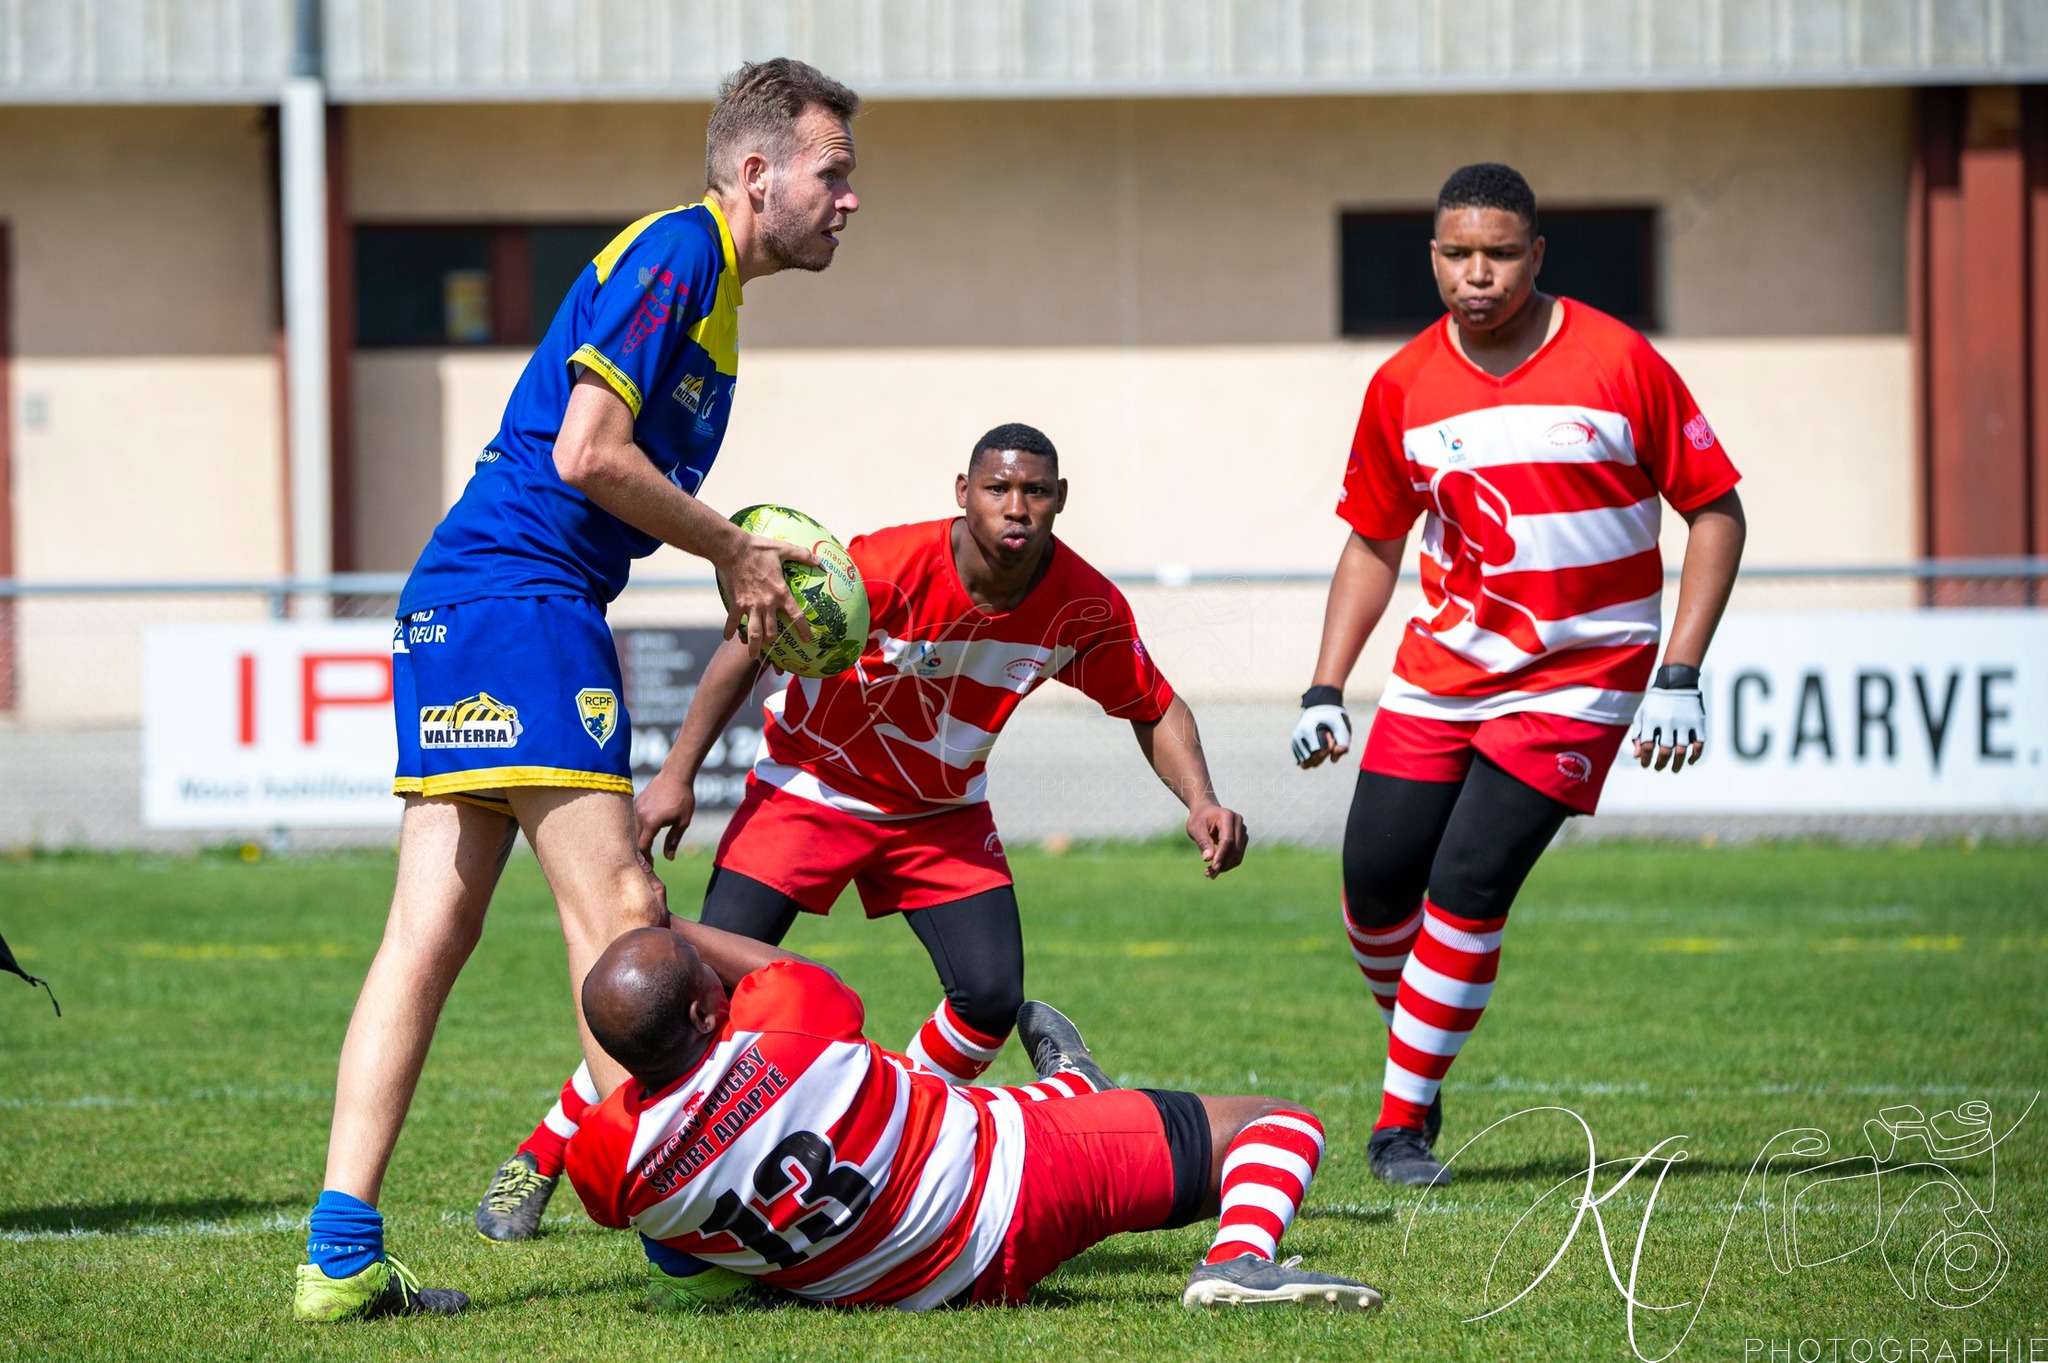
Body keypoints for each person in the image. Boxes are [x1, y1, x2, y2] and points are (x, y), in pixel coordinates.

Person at [292, 58, 866, 1322]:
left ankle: (338, 1259)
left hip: (465, 598)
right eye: (832, 172)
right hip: (524, 600)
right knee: (622, 915)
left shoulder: (706, 293)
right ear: (755, 172)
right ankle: (676, 1220)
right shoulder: (680, 255)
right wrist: (729, 546)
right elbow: (586, 454)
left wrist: (727, 548)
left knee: (426, 937)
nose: (848, 200)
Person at [472, 421, 1251, 1241]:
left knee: (990, 998)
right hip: (808, 790)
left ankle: (896, 1133)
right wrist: (677, 771)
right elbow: (751, 638)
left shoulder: (1083, 603)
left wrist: (1199, 796)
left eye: (1035, 491)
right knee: (684, 985)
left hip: (940, 813)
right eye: (998, 488)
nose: (1015, 506)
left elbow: (1153, 703)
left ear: (1060, 500)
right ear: (963, 493)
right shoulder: (884, 566)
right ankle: (541, 1152)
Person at [1291, 163, 1746, 1189]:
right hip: (1438, 675)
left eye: (1499, 253)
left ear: (1535, 256)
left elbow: (1714, 509)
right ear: (1433, 259)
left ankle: (1399, 1124)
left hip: (1580, 677)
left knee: (1465, 883)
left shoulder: (1618, 361)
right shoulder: (1401, 384)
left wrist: (1677, 672)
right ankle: (1424, 1039)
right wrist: (1324, 686)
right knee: (1370, 890)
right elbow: (1371, 542)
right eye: (1457, 254)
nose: (1477, 274)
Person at [564, 919, 1382, 1312]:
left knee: (938, 1101)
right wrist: (674, 926)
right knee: (1277, 1123)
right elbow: (788, 968)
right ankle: (1237, 1260)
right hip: (1011, 1195)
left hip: (876, 1281)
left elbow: (637, 1137)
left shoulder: (606, 1162)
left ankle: (1073, 1087)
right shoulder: (784, 1019)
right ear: (711, 1011)